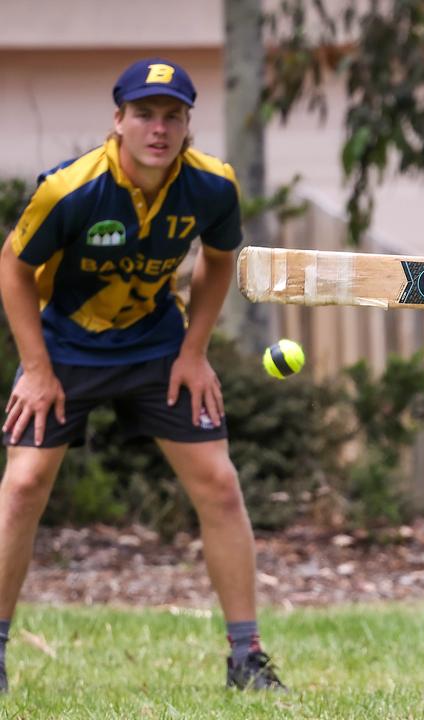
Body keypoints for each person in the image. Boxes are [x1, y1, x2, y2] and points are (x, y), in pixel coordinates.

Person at [0, 58, 285, 691]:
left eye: (172, 116)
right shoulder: (69, 189)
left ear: (187, 124)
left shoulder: (212, 186)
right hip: (66, 346)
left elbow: (218, 260)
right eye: (145, 114)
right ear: (118, 121)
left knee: (218, 484)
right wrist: (38, 371)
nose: (158, 128)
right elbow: (14, 268)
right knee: (23, 486)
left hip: (158, 345)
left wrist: (193, 350)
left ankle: (247, 659)